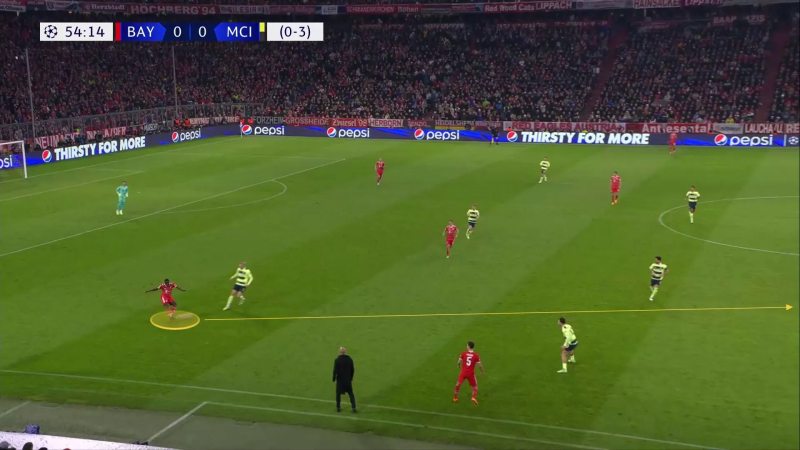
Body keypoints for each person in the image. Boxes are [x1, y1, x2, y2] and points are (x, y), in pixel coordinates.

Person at [333, 347, 356, 413]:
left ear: (339, 352)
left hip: (340, 380)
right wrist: (351, 377)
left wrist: (334, 378)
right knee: (350, 393)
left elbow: (335, 370)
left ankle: (338, 407)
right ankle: (354, 407)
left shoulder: (337, 360)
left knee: (338, 393)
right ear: (345, 352)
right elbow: (352, 369)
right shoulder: (349, 359)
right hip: (347, 380)